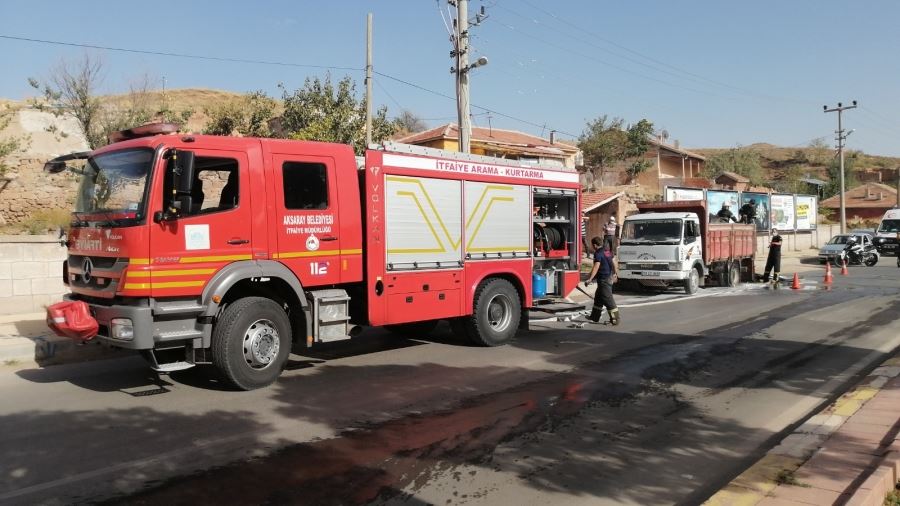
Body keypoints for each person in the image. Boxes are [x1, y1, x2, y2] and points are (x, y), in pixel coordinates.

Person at [584, 236, 620, 325]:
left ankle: (615, 319)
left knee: (608, 300)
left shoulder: (598, 253)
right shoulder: (607, 251)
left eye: (593, 245)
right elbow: (614, 262)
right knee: (598, 298)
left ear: (595, 245)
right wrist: (615, 273)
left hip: (604, 280)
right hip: (608, 277)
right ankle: (594, 317)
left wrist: (590, 279)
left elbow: (596, 266)